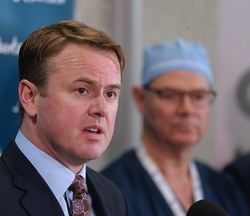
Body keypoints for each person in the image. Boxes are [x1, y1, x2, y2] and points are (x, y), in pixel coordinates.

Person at [0, 20, 129, 216]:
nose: (101, 109)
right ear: (30, 97)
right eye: (82, 90)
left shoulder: (112, 196)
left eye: (110, 94)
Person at [102, 38, 248, 216]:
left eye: (199, 96)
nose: (187, 109)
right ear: (141, 99)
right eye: (170, 95)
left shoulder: (226, 189)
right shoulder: (111, 190)